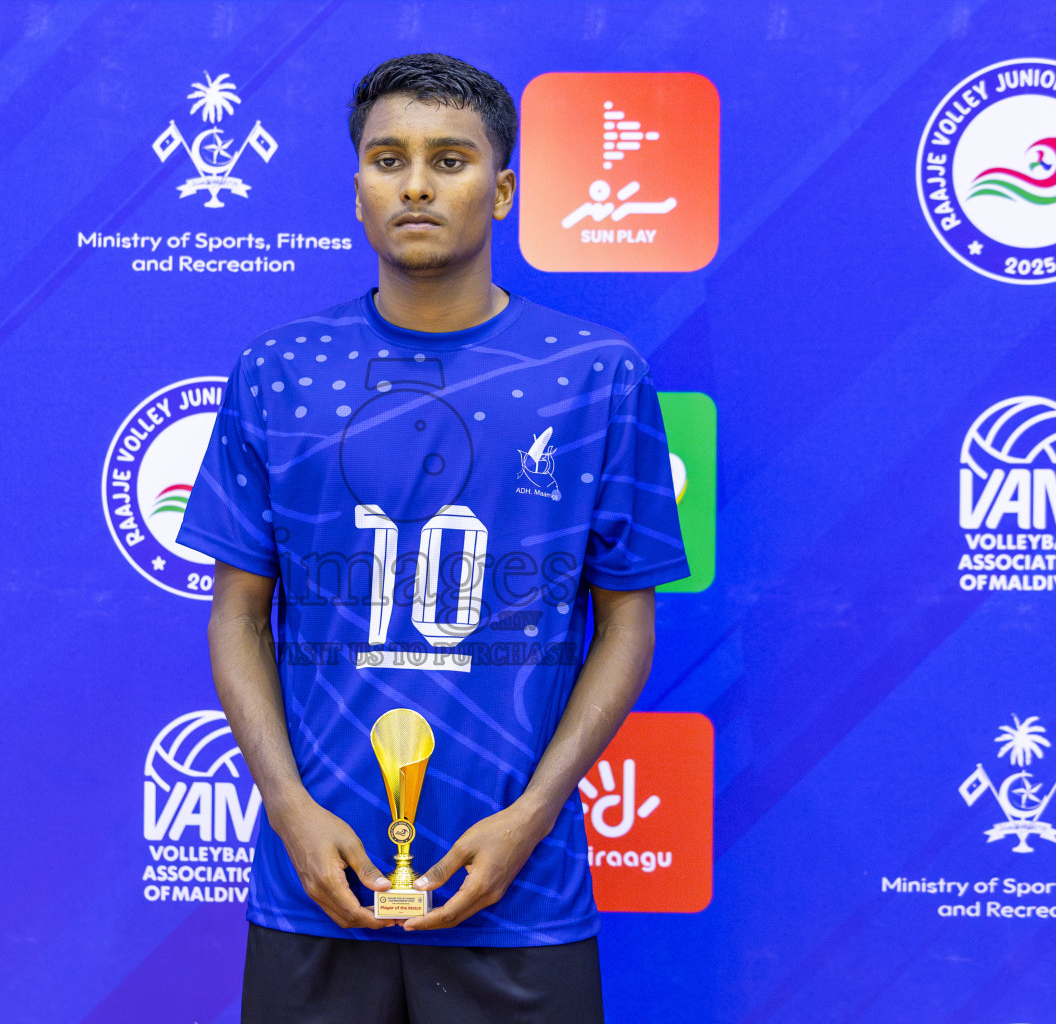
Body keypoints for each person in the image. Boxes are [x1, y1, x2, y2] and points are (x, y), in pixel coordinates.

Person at [178, 52, 687, 1024]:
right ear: (358, 187)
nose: (415, 183)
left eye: (449, 160)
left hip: (521, 896)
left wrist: (534, 813)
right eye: (388, 158)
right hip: (313, 886)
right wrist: (287, 804)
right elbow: (238, 613)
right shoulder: (278, 370)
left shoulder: (596, 374)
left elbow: (627, 622)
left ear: (501, 192)